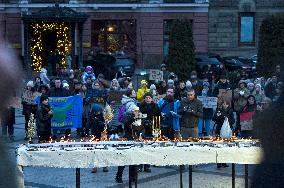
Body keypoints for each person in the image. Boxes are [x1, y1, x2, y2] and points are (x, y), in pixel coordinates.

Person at [139, 93, 160, 173]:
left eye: (149, 98)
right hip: (142, 128)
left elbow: (158, 117)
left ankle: (147, 166)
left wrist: (157, 131)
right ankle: (140, 165)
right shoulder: (140, 106)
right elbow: (137, 117)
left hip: (152, 128)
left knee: (149, 147)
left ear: (152, 99)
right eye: (146, 98)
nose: (148, 99)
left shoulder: (155, 106)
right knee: (141, 147)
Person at [87, 104, 109, 173]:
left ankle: (105, 165)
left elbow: (106, 125)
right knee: (94, 150)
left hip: (102, 134)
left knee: (103, 150)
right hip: (94, 134)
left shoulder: (103, 115)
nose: (97, 113)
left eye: (99, 112)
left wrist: (101, 123)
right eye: (96, 112)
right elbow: (88, 124)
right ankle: (95, 166)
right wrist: (86, 131)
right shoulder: (91, 116)